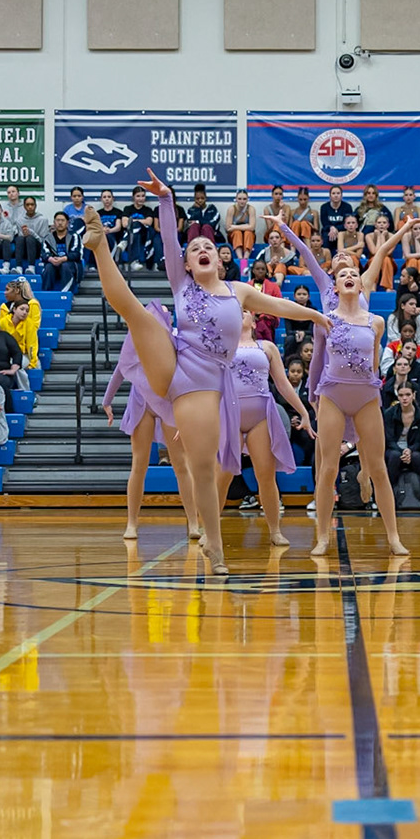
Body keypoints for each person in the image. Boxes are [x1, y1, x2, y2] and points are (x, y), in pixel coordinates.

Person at [85, 176, 329, 571]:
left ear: (219, 260)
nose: (201, 250)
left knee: (202, 468)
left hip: (207, 384)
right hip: (176, 365)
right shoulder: (181, 285)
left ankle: (212, 544)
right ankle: (99, 245)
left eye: (208, 248)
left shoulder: (238, 291)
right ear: (186, 263)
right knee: (136, 312)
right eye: (194, 248)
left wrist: (314, 314)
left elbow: (279, 307)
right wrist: (166, 199)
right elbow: (169, 240)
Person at [274, 214, 413, 559]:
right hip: (333, 393)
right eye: (342, 274)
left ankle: (394, 537)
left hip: (365, 396)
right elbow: (316, 362)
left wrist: (404, 229)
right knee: (328, 469)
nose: (348, 275)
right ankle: (322, 537)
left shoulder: (376, 321)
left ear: (361, 284)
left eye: (353, 272)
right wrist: (313, 397)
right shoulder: (325, 318)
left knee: (378, 468)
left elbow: (375, 362)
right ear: (334, 286)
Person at [99, 303, 198, 539]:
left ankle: (194, 522)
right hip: (141, 402)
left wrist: (187, 414)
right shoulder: (137, 338)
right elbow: (121, 368)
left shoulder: (177, 340)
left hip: (168, 403)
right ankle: (131, 523)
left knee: (181, 464)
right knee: (139, 463)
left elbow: (188, 375)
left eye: (162, 313)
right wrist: (107, 400)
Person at [223, 316, 309, 541]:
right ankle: (209, 532)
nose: (240, 312)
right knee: (221, 477)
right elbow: (209, 382)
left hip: (260, 416)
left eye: (245, 311)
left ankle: (275, 531)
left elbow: (282, 383)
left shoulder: (267, 347)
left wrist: (303, 411)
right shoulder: (221, 345)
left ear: (254, 322)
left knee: (266, 476)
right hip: (229, 415)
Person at [383, 384, 420, 505]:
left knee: (417, 457)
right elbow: (389, 440)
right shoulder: (389, 413)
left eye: (408, 395)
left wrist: (409, 450)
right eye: (401, 395)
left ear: (414, 395)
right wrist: (402, 451)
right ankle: (390, 494)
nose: (404, 398)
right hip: (393, 448)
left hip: (413, 448)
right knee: (394, 456)